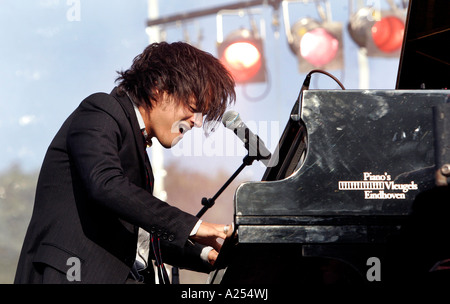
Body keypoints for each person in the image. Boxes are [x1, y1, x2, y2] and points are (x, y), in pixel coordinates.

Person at [14, 41, 236, 284]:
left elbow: (138, 238)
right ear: (158, 88)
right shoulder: (101, 109)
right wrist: (194, 227)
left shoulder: (137, 146)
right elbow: (105, 184)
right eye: (193, 108)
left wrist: (207, 254)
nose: (197, 121)